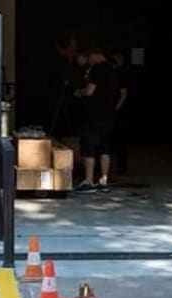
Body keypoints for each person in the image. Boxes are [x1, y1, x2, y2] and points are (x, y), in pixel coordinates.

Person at [72, 44, 118, 193]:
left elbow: (90, 91)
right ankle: (103, 180)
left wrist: (80, 92)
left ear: (95, 55)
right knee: (105, 148)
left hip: (93, 115)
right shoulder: (112, 69)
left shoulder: (97, 69)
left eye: (89, 58)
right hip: (109, 114)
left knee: (89, 147)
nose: (88, 61)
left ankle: (89, 181)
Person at [111, 51, 130, 178]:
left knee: (119, 139)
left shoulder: (120, 74)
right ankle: (118, 167)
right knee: (118, 140)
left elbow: (123, 94)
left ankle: (120, 167)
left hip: (119, 112)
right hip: (118, 111)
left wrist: (115, 109)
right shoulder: (116, 74)